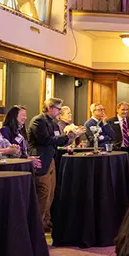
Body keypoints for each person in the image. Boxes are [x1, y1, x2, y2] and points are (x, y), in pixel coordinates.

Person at [28, 97, 85, 231]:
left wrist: (72, 136)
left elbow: (59, 141)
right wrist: (67, 137)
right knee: (43, 192)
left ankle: (46, 222)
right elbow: (45, 140)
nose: (60, 111)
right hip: (41, 159)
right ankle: (37, 224)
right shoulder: (38, 121)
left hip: (51, 159)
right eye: (58, 108)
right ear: (50, 108)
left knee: (51, 193)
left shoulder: (52, 122)